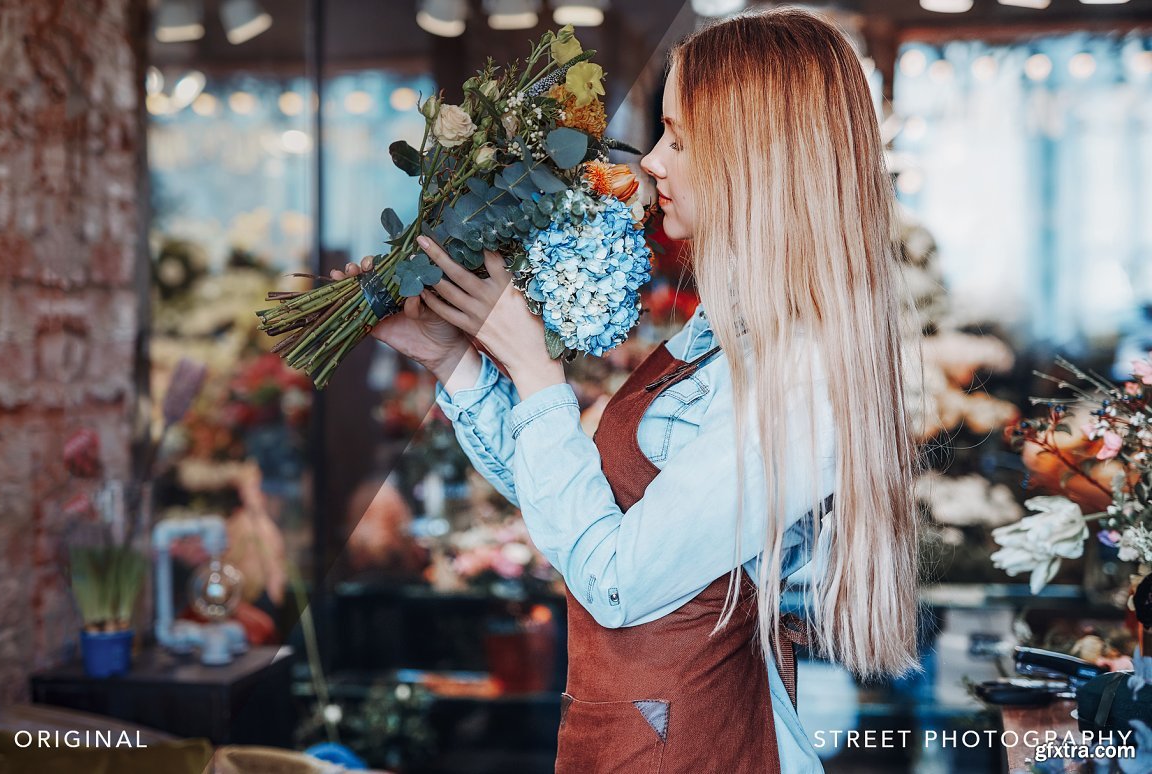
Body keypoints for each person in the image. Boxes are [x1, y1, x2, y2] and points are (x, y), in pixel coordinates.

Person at [331, 7, 919, 771]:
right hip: (628, 734)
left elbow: (614, 582)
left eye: (679, 138)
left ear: (755, 159)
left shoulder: (802, 377)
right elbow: (583, 512)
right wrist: (454, 363)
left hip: (696, 747)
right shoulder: (719, 333)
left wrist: (535, 370)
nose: (652, 162)